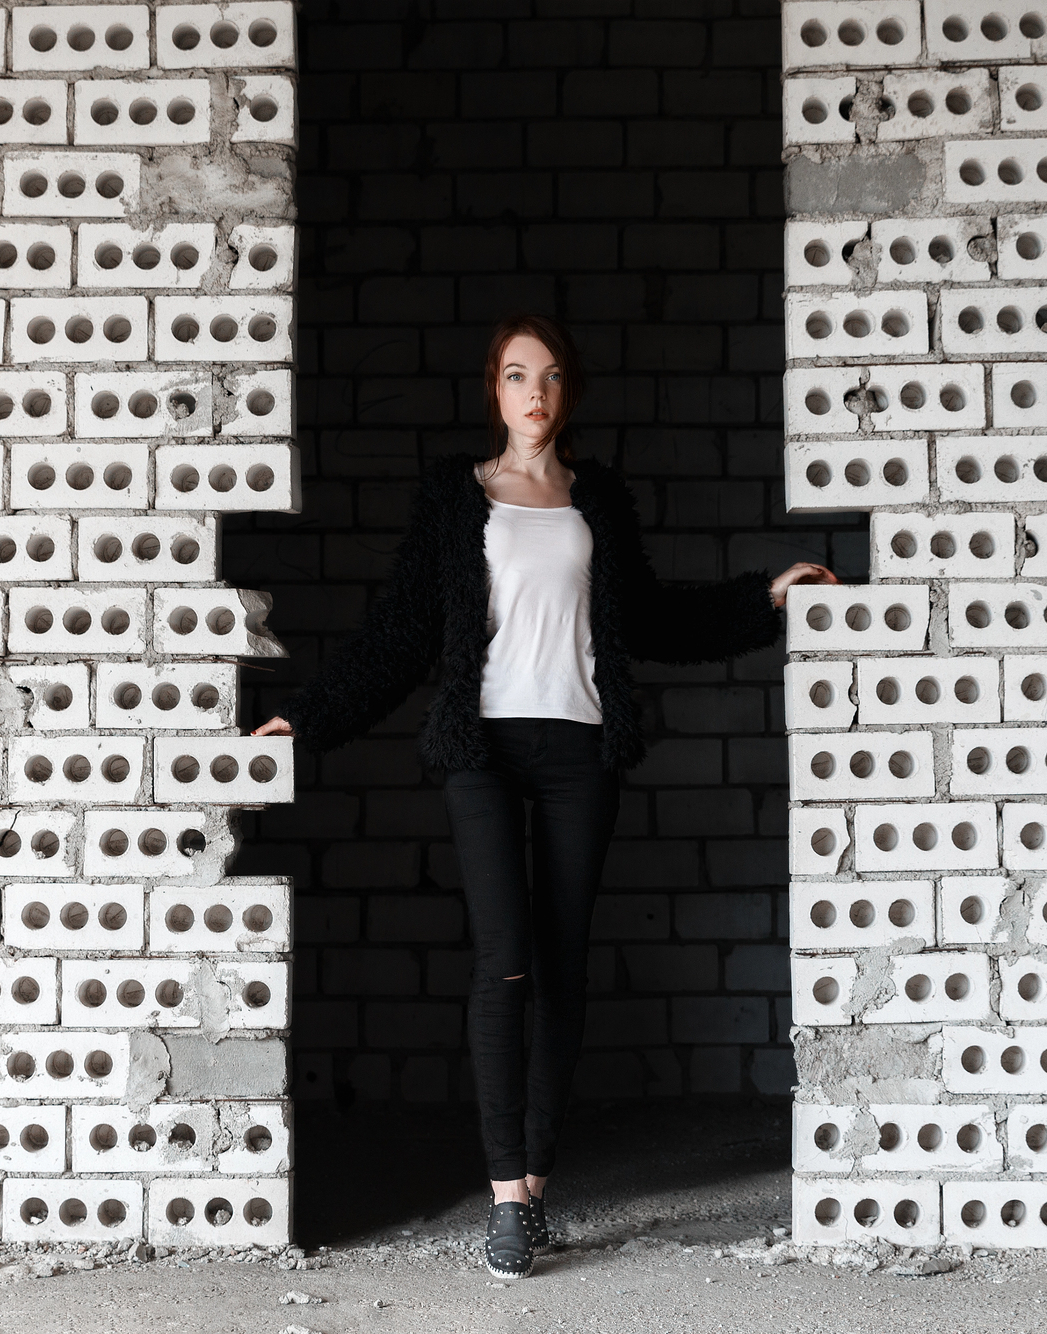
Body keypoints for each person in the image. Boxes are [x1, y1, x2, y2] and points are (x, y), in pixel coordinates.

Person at [253, 311, 836, 1278]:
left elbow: (647, 616)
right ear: (495, 389)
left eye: (553, 376)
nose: (535, 392)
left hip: (578, 748)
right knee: (506, 959)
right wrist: (311, 718)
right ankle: (501, 1196)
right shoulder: (458, 497)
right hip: (482, 747)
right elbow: (401, 633)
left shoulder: (594, 499)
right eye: (519, 374)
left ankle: (535, 1188)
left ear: (568, 394)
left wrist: (761, 599)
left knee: (563, 963)